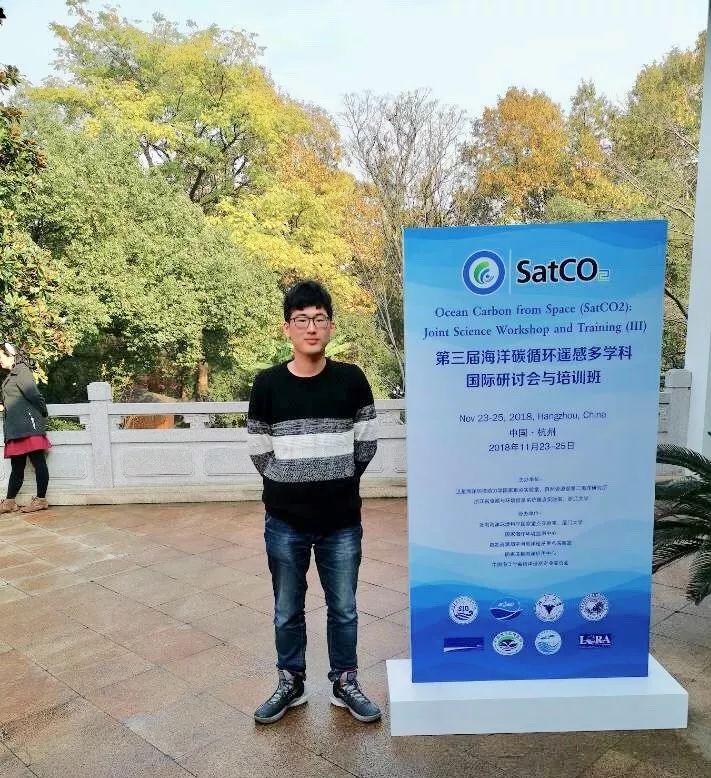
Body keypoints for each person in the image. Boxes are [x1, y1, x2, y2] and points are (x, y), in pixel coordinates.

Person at [247, 280, 381, 725]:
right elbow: (259, 448)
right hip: (284, 521)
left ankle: (345, 681)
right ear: (286, 327)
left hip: (341, 521)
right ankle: (291, 682)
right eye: (301, 319)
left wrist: (336, 479)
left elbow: (366, 443)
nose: (311, 327)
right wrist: (290, 483)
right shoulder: (268, 383)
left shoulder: (351, 379)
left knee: (344, 608)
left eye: (319, 319)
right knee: (287, 609)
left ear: (331, 326)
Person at [0, 342, 51, 513]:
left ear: (11, 355)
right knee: (17, 466)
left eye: (1, 356)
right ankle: (10, 502)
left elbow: (34, 394)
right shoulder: (11, 375)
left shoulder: (21, 371)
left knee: (38, 462)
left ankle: (41, 500)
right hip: (16, 427)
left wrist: (43, 412)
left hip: (28, 425)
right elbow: (13, 399)